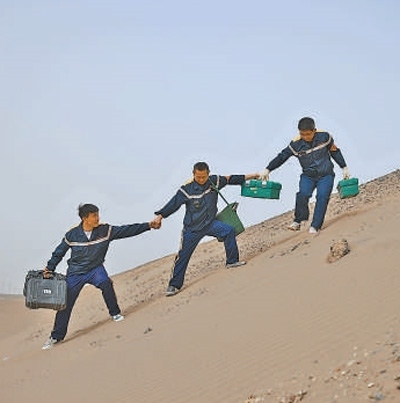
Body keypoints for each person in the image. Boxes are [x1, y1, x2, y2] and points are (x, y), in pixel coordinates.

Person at [41, 203, 160, 350]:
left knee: (105, 283)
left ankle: (115, 313)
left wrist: (148, 225)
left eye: (97, 215)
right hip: (75, 273)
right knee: (65, 302)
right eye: (94, 216)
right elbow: (58, 253)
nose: (98, 218)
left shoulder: (105, 230)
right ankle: (56, 336)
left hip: (95, 269)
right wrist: (49, 268)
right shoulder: (72, 235)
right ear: (85, 218)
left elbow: (127, 230)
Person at [153, 161, 259, 297]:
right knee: (183, 256)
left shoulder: (214, 181)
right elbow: (173, 205)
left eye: (204, 176)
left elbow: (230, 179)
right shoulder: (186, 190)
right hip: (192, 230)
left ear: (208, 174)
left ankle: (232, 261)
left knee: (228, 230)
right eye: (198, 177)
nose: (201, 179)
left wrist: (254, 175)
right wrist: (160, 217)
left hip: (210, 224)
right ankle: (173, 285)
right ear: (193, 174)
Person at [259, 117, 350, 234]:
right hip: (308, 176)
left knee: (322, 197)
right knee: (303, 194)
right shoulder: (295, 144)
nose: (305, 137)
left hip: (326, 175)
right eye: (302, 134)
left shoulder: (324, 137)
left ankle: (315, 226)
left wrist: (344, 167)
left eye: (308, 134)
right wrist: (268, 169)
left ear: (314, 131)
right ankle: (298, 221)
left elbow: (334, 151)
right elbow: (282, 157)